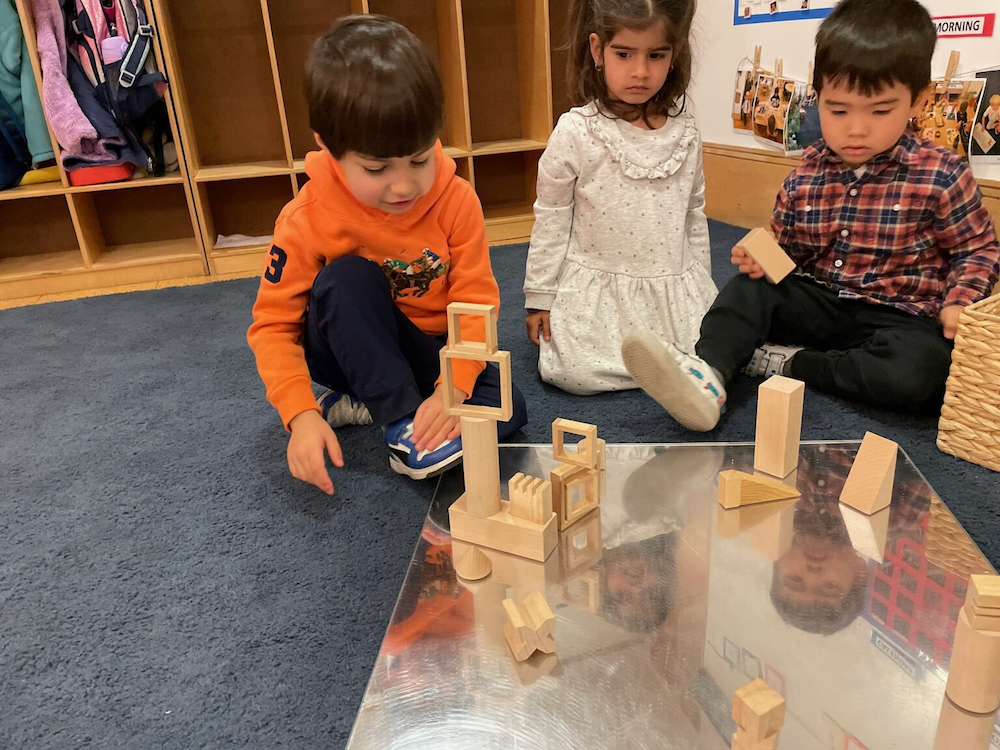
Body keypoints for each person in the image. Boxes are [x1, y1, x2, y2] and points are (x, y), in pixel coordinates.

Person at [622, 0, 1000, 431]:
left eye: (880, 111)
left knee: (917, 376)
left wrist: (960, 302)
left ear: (918, 101)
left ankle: (791, 364)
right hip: (820, 300)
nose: (856, 129)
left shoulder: (942, 172)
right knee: (749, 292)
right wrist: (764, 256)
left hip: (899, 316)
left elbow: (977, 250)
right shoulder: (807, 172)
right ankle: (708, 375)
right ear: (817, 98)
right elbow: (787, 253)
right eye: (838, 110)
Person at [247, 16, 527, 494]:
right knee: (346, 279)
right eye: (377, 169)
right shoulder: (305, 218)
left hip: (430, 347)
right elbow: (274, 326)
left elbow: (477, 300)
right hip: (347, 348)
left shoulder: (457, 200)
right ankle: (399, 423)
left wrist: (454, 389)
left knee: (510, 406)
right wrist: (299, 414)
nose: (404, 186)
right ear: (326, 146)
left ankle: (375, 404)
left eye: (420, 160)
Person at [522, 0, 716, 394]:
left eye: (656, 55)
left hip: (669, 279)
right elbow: (552, 217)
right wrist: (539, 296)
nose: (640, 71)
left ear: (673, 56)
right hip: (599, 286)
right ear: (598, 50)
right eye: (624, 54)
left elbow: (693, 214)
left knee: (711, 350)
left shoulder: (687, 133)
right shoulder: (576, 131)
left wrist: (706, 292)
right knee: (572, 373)